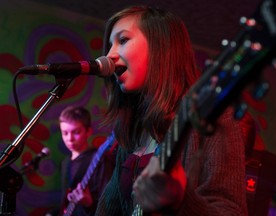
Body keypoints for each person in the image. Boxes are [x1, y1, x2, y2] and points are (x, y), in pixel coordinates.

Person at [95, 5, 249, 216]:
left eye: (122, 40)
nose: (109, 55)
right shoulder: (134, 129)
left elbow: (231, 211)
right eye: (109, 45)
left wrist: (181, 200)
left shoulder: (212, 116)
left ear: (161, 47)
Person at [47, 106, 116, 216]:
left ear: (88, 131)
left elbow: (110, 205)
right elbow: (66, 203)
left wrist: (89, 203)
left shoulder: (100, 160)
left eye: (76, 132)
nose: (70, 138)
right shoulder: (66, 163)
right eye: (65, 133)